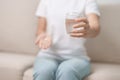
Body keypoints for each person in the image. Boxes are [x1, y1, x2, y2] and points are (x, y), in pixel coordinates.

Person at [33, 0, 100, 80]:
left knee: (67, 71)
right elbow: (40, 31)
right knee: (44, 72)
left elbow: (95, 29)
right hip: (47, 56)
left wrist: (88, 30)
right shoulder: (46, 1)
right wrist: (43, 36)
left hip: (77, 57)